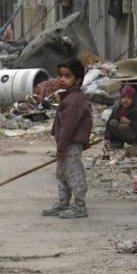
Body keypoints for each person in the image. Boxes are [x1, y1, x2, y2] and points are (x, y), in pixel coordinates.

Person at [42, 58, 92, 219]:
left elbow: (69, 127)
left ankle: (79, 206)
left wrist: (62, 147)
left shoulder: (75, 100)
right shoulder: (69, 97)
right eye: (60, 75)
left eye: (67, 76)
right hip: (65, 144)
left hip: (70, 144)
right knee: (62, 173)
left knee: (74, 173)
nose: (62, 79)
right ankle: (63, 201)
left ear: (77, 79)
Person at [104, 84, 137, 150]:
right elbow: (108, 126)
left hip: (135, 136)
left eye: (129, 98)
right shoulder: (117, 110)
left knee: (123, 126)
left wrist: (129, 122)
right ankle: (117, 142)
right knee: (113, 122)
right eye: (123, 97)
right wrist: (107, 138)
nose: (125, 100)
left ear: (133, 100)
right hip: (123, 134)